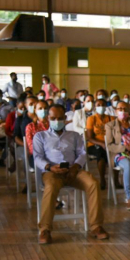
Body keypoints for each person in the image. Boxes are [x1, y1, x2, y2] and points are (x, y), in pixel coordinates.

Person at [33, 104, 109, 244]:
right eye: (53, 118)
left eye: (60, 118)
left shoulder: (74, 135)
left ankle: (96, 226)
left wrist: (75, 167)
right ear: (48, 118)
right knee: (50, 188)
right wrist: (50, 167)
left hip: (73, 170)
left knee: (93, 183)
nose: (57, 121)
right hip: (52, 172)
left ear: (65, 119)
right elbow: (37, 157)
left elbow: (82, 153)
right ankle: (45, 229)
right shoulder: (40, 136)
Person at [86, 99, 115, 190]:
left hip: (109, 143)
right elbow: (90, 137)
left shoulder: (111, 118)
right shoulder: (91, 119)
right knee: (101, 153)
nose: (101, 107)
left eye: (103, 105)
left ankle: (116, 180)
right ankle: (102, 179)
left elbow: (115, 133)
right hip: (94, 144)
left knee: (116, 153)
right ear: (95, 107)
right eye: (98, 105)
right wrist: (102, 143)